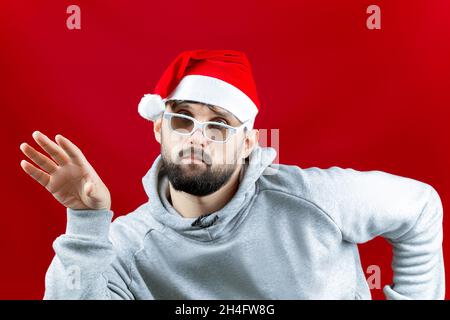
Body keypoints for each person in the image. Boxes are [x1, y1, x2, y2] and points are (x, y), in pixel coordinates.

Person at [19, 49, 444, 299]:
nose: (197, 138)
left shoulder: (315, 201)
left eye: (219, 125)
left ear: (246, 144)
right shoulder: (127, 247)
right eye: (183, 120)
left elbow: (420, 208)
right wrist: (86, 223)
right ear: (159, 129)